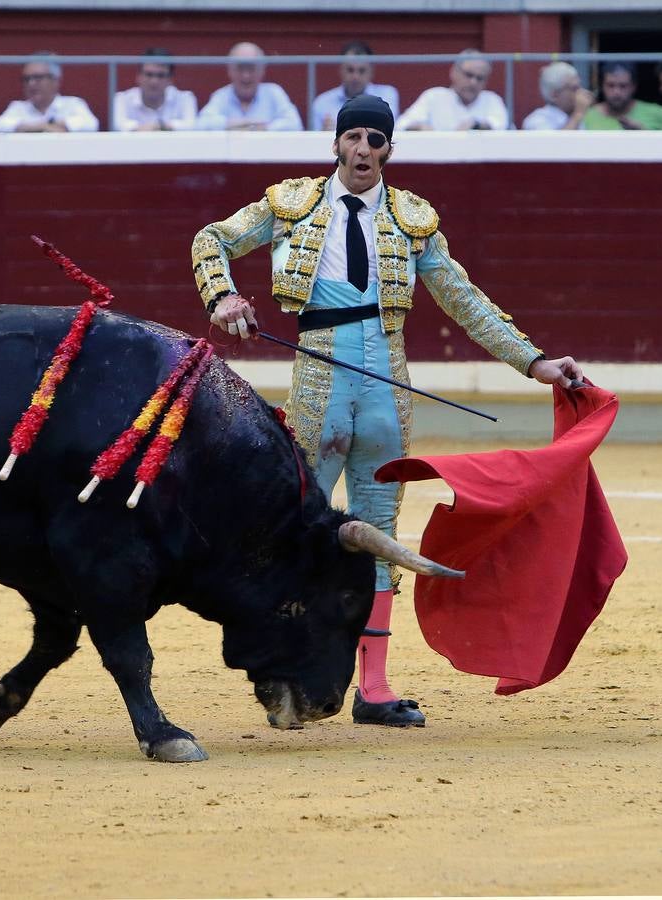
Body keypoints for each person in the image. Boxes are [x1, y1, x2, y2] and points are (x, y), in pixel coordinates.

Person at [190, 95, 583, 727]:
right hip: (317, 373)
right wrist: (224, 296)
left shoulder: (410, 220)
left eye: (377, 139)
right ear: (337, 144)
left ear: (389, 150)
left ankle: (372, 687)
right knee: (298, 531)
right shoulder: (289, 203)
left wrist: (533, 362)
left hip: (385, 383)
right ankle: (291, 671)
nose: (364, 149)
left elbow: (464, 298)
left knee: (380, 534)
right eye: (354, 137)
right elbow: (211, 239)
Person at [196, 42, 302, 131]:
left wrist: (265, 127)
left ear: (262, 70)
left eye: (251, 68)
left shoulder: (274, 92)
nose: (246, 76)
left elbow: (295, 124)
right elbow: (202, 124)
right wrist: (246, 124)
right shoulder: (222, 95)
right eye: (240, 68)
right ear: (230, 71)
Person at [397, 49, 510, 131]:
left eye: (480, 78)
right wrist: (419, 126)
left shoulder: (491, 99)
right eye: (468, 75)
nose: (473, 82)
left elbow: (501, 125)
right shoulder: (434, 96)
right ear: (454, 72)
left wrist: (476, 125)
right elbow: (401, 125)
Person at [309, 41, 400, 132]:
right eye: (350, 70)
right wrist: (323, 133)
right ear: (341, 69)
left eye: (361, 70)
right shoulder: (322, 102)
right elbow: (312, 141)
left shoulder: (387, 95)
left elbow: (390, 132)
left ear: (371, 71)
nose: (355, 76)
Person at [0, 55, 99, 132]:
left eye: (38, 78)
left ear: (55, 80)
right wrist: (42, 127)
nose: (31, 84)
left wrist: (52, 124)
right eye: (27, 79)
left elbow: (91, 124)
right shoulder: (18, 107)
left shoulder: (73, 104)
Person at [111, 47, 197, 132]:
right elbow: (118, 125)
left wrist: (157, 127)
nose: (154, 81)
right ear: (138, 77)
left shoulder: (185, 98)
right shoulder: (122, 99)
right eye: (149, 74)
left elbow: (191, 125)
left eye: (161, 75)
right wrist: (162, 128)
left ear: (170, 80)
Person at [584, 63, 662, 131]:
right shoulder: (587, 116)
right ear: (602, 86)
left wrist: (643, 133)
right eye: (610, 85)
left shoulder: (656, 113)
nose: (616, 92)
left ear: (633, 87)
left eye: (623, 86)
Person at [522, 62, 593, 130]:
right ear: (554, 95)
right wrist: (577, 114)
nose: (580, 93)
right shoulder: (536, 120)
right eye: (574, 89)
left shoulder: (575, 117)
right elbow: (555, 142)